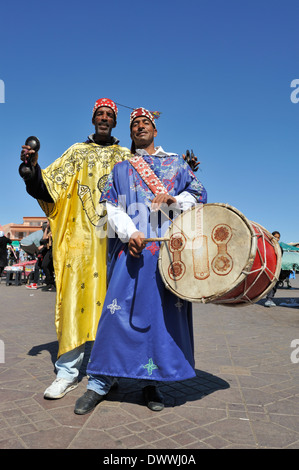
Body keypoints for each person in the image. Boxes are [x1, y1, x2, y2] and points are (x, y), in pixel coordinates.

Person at [74, 107, 207, 415]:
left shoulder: (176, 165)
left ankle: (151, 381)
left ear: (155, 130)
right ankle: (100, 383)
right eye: (135, 124)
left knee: (161, 319)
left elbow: (198, 195)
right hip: (129, 251)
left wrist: (175, 200)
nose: (140, 127)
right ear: (131, 132)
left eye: (145, 122)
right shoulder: (122, 168)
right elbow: (110, 206)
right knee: (115, 314)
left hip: (167, 254)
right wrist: (130, 232)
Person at [20, 98, 132, 399]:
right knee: (74, 303)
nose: (104, 118)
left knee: (114, 308)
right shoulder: (76, 153)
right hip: (80, 245)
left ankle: (106, 370)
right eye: (100, 114)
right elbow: (50, 188)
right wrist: (32, 171)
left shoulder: (127, 157)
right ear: (93, 119)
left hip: (116, 245)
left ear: (115, 122)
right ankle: (67, 372)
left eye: (109, 114)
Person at [265, 231, 281, 307]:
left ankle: (270, 298)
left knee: (275, 284)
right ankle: (269, 299)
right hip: (270, 268)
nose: (276, 239)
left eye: (278, 237)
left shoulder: (279, 247)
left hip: (277, 268)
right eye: (275, 237)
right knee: (271, 283)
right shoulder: (268, 246)